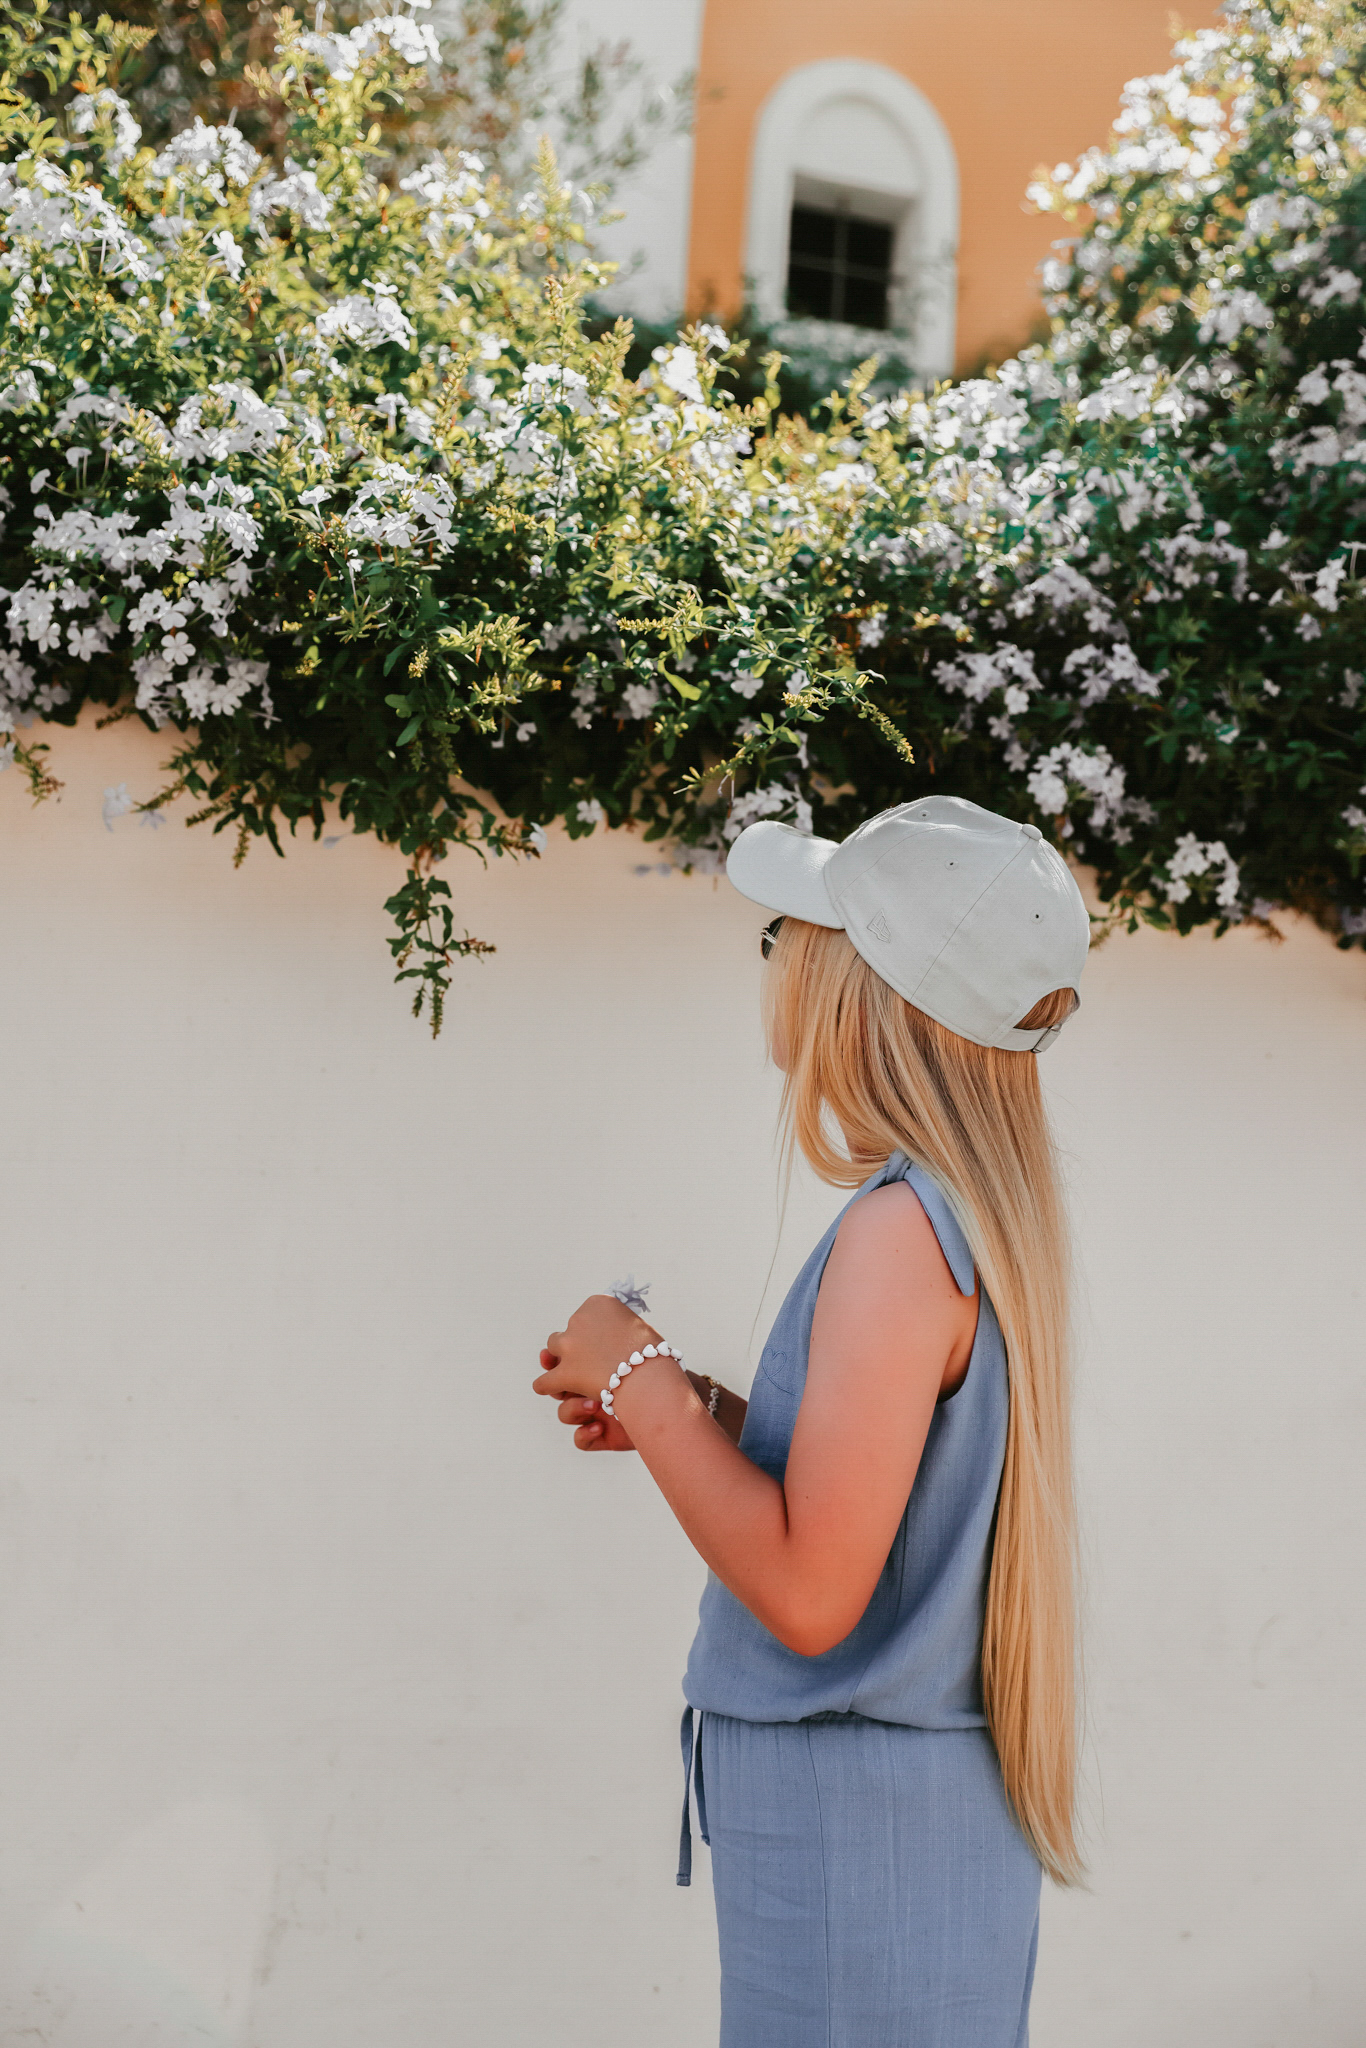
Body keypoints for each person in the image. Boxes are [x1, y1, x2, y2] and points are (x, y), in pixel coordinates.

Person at [532, 795, 1090, 2047]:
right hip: (902, 1821)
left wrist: (643, 1381)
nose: (777, 956)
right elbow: (880, 1498)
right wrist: (701, 1414)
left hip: (857, 1832)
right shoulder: (966, 1216)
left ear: (863, 987)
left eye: (792, 932)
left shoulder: (898, 1233)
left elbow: (810, 1591)